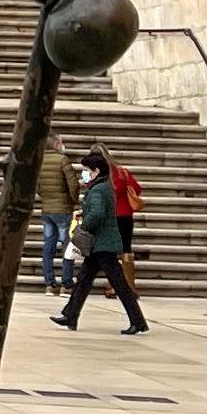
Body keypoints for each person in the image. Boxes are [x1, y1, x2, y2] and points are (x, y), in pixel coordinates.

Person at [56, 144, 147, 335]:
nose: (84, 174)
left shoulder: (98, 190)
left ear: (96, 171)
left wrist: (84, 226)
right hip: (101, 244)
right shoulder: (103, 187)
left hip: (102, 244)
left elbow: (97, 214)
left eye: (87, 171)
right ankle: (70, 316)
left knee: (119, 284)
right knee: (83, 280)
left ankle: (137, 321)